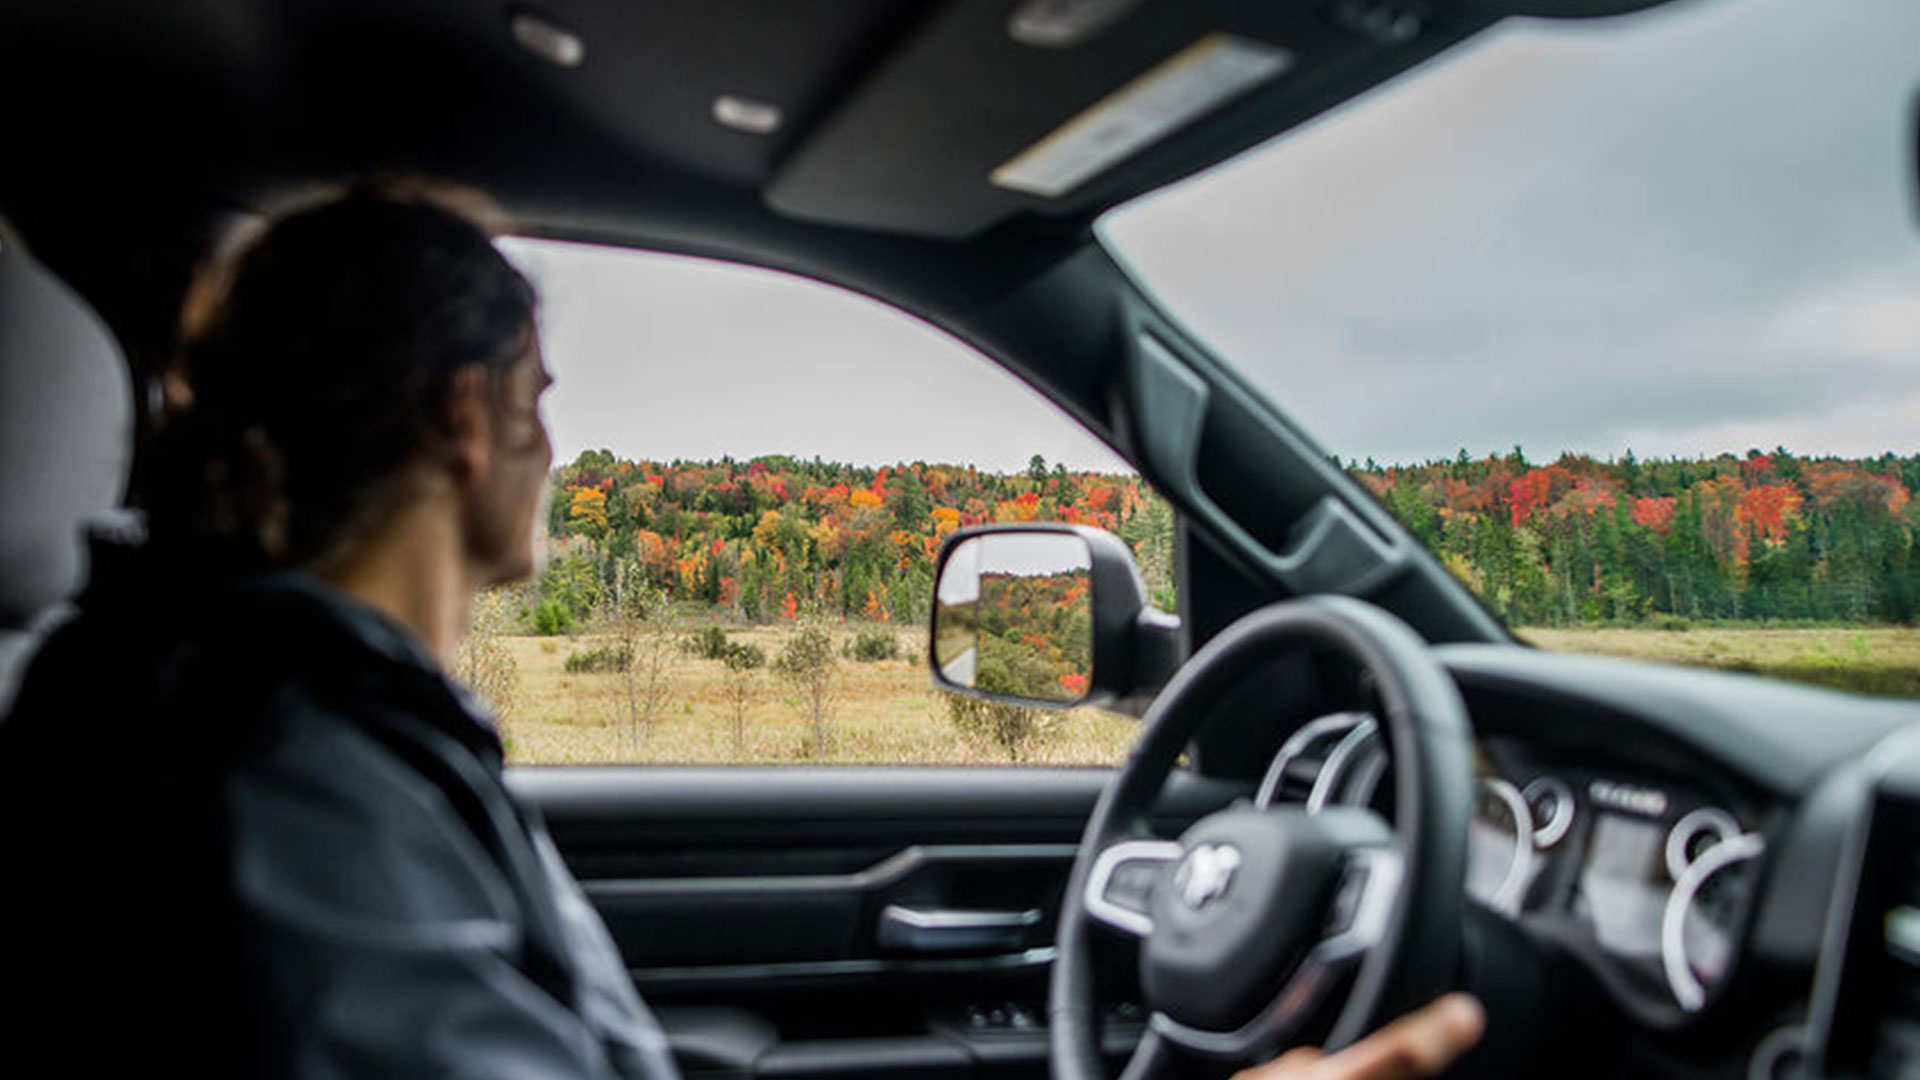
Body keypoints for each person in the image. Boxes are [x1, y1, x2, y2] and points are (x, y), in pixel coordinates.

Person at [0, 182, 1481, 1079]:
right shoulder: (275, 778)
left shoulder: (257, 717)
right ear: (467, 416)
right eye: (540, 400)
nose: (553, 448)